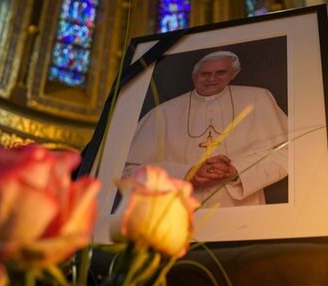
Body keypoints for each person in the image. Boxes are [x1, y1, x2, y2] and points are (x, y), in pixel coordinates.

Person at [123, 50, 288, 207]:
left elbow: (289, 153)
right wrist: (187, 173)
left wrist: (237, 171)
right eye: (205, 74)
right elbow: (128, 171)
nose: (212, 79)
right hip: (177, 213)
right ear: (194, 76)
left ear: (234, 74)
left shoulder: (258, 99)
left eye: (221, 72)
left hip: (243, 211)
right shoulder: (163, 112)